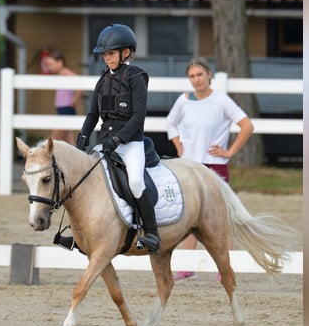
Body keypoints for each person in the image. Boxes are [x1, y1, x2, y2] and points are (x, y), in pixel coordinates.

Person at [166, 57, 255, 279]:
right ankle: (188, 266)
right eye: (192, 76)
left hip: (215, 165)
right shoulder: (184, 100)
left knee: (220, 217)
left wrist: (230, 151)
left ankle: (225, 267)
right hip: (190, 166)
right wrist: (178, 145)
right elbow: (170, 123)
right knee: (189, 216)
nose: (196, 80)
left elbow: (247, 125)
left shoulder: (221, 101)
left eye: (199, 75)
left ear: (209, 75)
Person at [76, 24, 160, 253]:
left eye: (111, 54)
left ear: (126, 53)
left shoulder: (137, 77)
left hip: (131, 143)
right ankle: (79, 235)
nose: (107, 59)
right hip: (106, 142)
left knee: (135, 182)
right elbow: (93, 113)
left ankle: (151, 233)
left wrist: (119, 139)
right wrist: (84, 135)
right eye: (105, 55)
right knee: (84, 178)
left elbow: (138, 116)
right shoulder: (102, 80)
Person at [44, 49, 83, 143]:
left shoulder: (66, 72)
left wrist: (74, 100)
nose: (50, 68)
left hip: (66, 110)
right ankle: (76, 157)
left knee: (52, 141)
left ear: (60, 62)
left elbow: (80, 83)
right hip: (63, 110)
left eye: (51, 64)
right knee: (69, 142)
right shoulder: (61, 74)